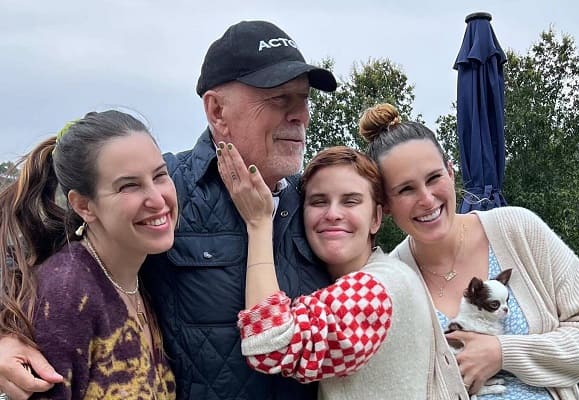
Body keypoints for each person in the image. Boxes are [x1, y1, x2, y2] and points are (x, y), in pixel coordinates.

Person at [0, 20, 337, 400]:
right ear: (217, 110)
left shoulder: (318, 204)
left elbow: (374, 267)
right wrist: (7, 336)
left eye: (303, 99)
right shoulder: (163, 196)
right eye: (279, 99)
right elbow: (48, 274)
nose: (301, 116)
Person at [359, 102, 579, 399]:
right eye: (406, 189)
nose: (427, 199)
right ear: (385, 204)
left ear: (451, 172)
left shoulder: (517, 229)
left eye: (434, 178)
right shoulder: (391, 282)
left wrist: (502, 352)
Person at [216, 144, 432, 399]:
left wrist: (259, 223)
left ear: (375, 218)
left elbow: (270, 343)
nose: (333, 214)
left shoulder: (380, 286)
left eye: (350, 201)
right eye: (319, 202)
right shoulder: (385, 275)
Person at [0, 110, 177, 399]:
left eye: (160, 176)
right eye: (129, 186)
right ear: (83, 206)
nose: (158, 199)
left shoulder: (138, 272)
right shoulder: (68, 293)